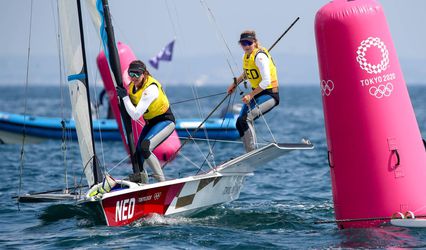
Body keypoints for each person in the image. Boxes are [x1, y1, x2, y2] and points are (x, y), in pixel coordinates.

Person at [116, 60, 175, 182]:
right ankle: (142, 185)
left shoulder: (150, 89)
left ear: (144, 74)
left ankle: (162, 183)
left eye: (137, 74)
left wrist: (125, 98)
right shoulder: (132, 87)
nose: (134, 77)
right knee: (137, 155)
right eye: (131, 74)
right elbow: (130, 105)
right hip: (150, 123)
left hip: (165, 122)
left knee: (145, 148)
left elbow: (136, 115)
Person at [227, 30, 280, 152]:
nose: (246, 46)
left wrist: (250, 95)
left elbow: (266, 81)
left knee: (245, 119)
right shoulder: (246, 56)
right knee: (239, 123)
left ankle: (253, 152)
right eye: (243, 43)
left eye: (248, 43)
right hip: (257, 94)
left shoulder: (260, 57)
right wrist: (234, 84)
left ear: (254, 43)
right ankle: (249, 152)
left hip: (270, 94)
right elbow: (247, 73)